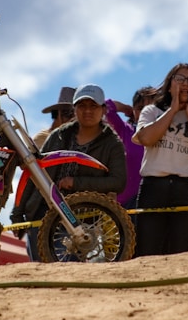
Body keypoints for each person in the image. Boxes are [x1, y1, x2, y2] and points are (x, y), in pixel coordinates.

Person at [11, 84, 126, 261]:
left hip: (83, 221)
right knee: (40, 271)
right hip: (43, 213)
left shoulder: (113, 144)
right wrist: (17, 215)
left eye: (93, 106)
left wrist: (76, 182)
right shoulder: (58, 135)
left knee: (68, 270)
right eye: (82, 105)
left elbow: (118, 182)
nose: (87, 111)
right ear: (74, 109)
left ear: (103, 110)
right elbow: (33, 174)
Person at [133, 63, 188, 255]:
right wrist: (172, 111)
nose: (185, 84)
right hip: (154, 188)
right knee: (147, 252)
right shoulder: (151, 112)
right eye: (179, 79)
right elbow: (146, 138)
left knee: (182, 253)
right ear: (169, 85)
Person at [104, 86, 157, 209]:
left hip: (155, 200)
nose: (145, 113)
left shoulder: (166, 133)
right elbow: (106, 105)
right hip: (125, 205)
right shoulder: (125, 130)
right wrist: (126, 108)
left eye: (150, 108)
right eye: (140, 109)